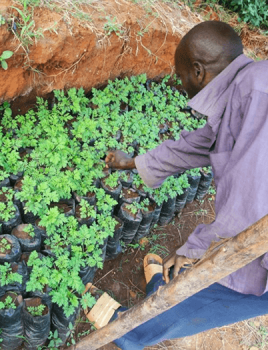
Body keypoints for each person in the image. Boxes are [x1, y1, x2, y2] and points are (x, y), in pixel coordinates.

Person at [87, 20, 268, 349]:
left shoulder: (257, 90)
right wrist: (135, 162)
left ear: (198, 71)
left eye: (181, 76)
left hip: (259, 253)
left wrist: (196, 251)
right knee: (186, 279)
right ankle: (159, 292)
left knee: (212, 293)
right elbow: (205, 143)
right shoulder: (250, 87)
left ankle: (129, 331)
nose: (181, 84)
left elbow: (250, 208)